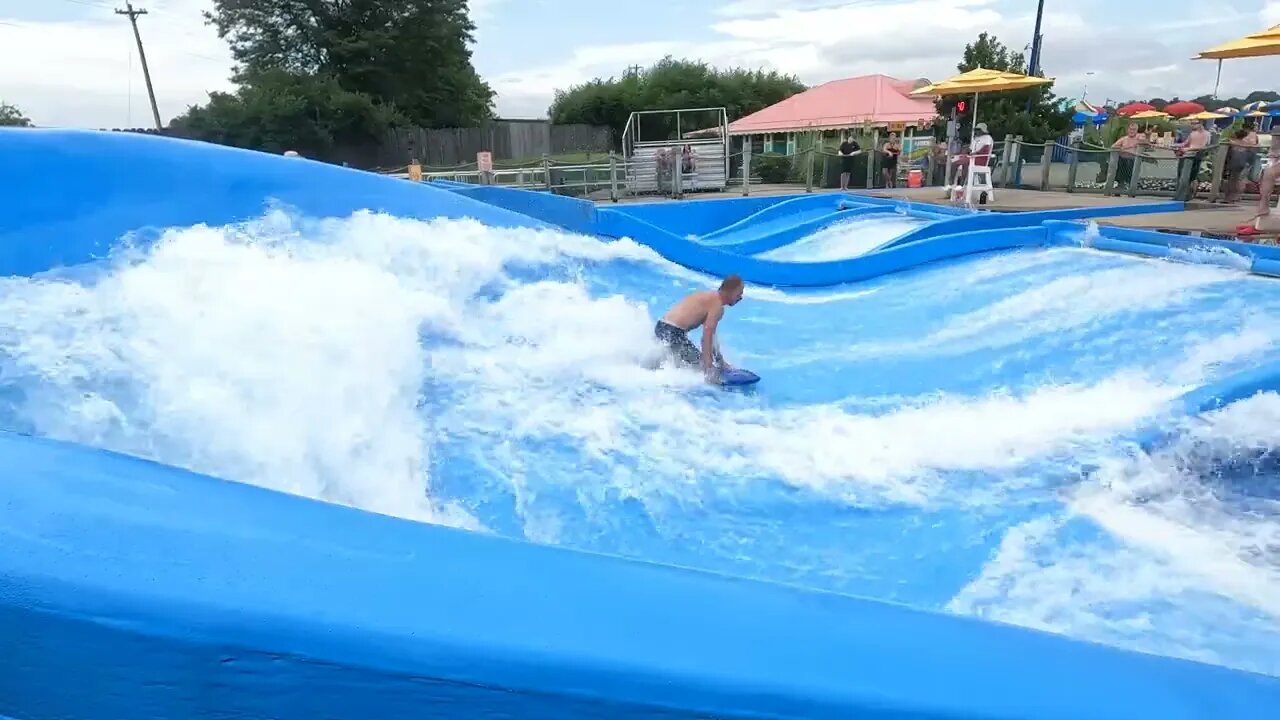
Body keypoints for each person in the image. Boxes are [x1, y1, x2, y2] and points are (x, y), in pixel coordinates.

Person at [654, 275, 744, 383]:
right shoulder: (717, 306)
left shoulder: (707, 296)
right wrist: (708, 367)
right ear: (731, 292)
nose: (740, 297)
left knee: (681, 359)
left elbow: (712, 340)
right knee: (699, 366)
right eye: (739, 293)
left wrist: (720, 362)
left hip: (661, 327)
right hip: (673, 332)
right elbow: (706, 337)